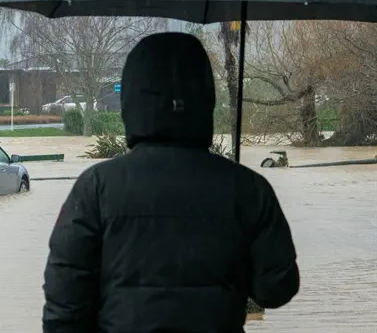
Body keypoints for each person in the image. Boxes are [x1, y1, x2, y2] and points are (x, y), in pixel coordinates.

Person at [42, 32, 299, 333]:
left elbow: (64, 305)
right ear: (205, 99)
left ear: (131, 100)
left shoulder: (95, 188)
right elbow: (277, 288)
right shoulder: (248, 189)